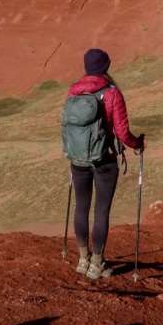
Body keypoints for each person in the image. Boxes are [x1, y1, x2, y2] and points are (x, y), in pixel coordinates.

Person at [64, 48, 144, 279]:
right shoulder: (111, 93)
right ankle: (97, 264)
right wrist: (137, 144)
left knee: (81, 207)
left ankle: (82, 260)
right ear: (106, 66)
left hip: (78, 159)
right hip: (104, 160)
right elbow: (122, 132)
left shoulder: (73, 91)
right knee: (101, 210)